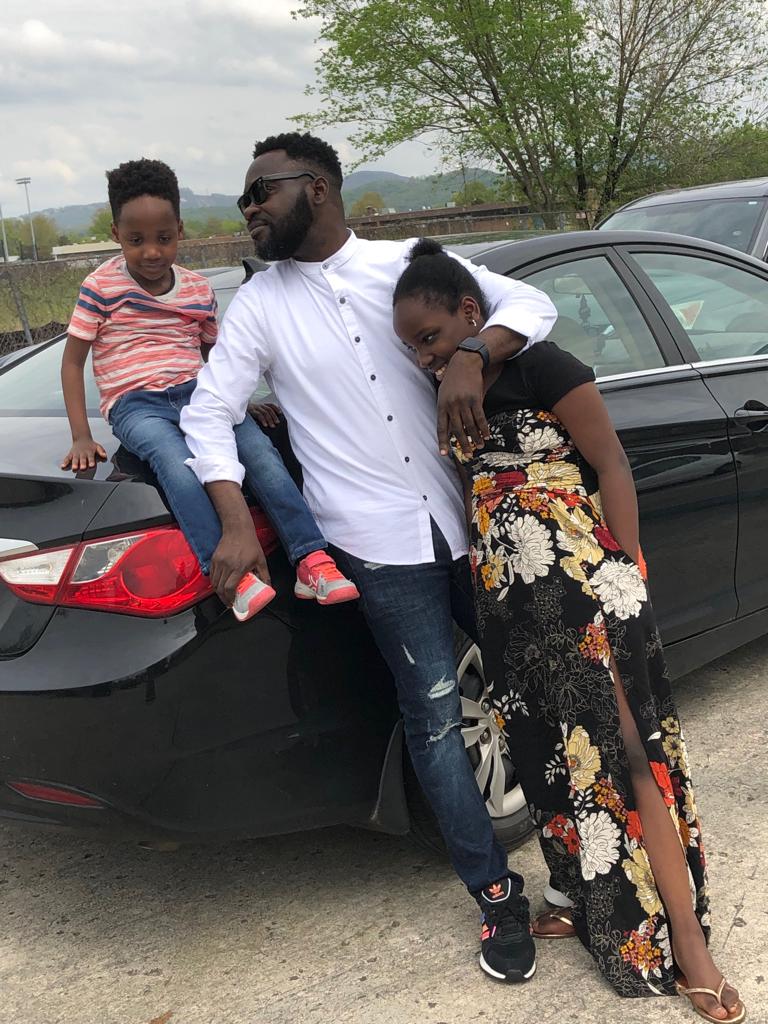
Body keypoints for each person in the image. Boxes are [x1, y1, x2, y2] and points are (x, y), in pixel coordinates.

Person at [180, 131, 557, 983]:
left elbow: (530, 304)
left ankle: (575, 866)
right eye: (245, 198)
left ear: (316, 187)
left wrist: (472, 358)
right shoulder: (259, 307)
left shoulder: (407, 265)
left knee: (536, 686)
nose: (248, 209)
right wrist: (233, 520)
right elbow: (207, 414)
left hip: (473, 522)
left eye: (261, 192)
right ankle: (496, 895)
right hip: (378, 548)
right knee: (434, 721)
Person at [391, 238, 745, 1022]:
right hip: (508, 602)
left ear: (472, 314)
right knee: (546, 752)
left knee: (627, 751)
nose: (423, 357)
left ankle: (689, 944)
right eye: (411, 347)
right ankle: (584, 900)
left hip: (585, 589)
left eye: (431, 338)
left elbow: (611, 464)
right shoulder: (445, 395)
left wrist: (629, 568)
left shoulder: (543, 365)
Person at [60, 157, 359, 621]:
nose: (152, 252)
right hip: (137, 405)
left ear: (180, 231)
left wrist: (243, 399)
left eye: (164, 238)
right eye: (136, 241)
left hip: (200, 396)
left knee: (261, 456)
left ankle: (311, 559)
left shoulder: (198, 289)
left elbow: (218, 358)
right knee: (176, 466)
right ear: (117, 234)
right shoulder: (100, 287)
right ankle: (228, 575)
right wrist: (81, 435)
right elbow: (73, 361)